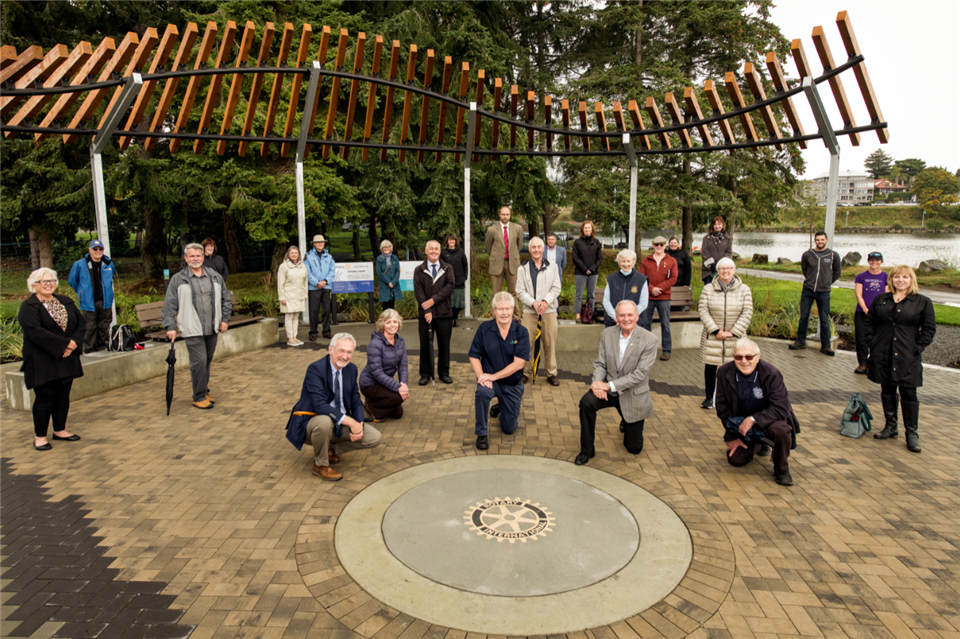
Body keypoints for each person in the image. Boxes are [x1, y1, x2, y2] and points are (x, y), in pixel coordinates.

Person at [285, 333, 382, 481]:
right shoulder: (315, 369)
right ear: (330, 349)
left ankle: (330, 450)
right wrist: (350, 422)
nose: (345, 356)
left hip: (338, 423)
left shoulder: (351, 369)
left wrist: (359, 423)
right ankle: (320, 464)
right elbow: (320, 406)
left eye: (349, 352)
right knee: (324, 421)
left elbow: (356, 399)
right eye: (341, 351)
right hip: (311, 424)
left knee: (374, 438)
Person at [575, 300, 658, 466]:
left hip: (632, 394)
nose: (626, 318)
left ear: (637, 316)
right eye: (622, 315)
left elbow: (640, 374)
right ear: (616, 318)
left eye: (629, 315)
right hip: (609, 391)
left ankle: (626, 421)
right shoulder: (608, 334)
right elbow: (601, 363)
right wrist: (597, 382)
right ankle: (586, 450)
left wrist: (608, 385)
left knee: (633, 447)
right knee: (586, 403)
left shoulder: (650, 340)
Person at [863, 265, 936, 453]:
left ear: (911, 280)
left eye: (905, 277)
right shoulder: (881, 300)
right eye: (897, 277)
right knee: (887, 389)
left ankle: (911, 433)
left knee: (909, 393)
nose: (900, 280)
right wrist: (873, 343)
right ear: (891, 280)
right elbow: (869, 323)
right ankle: (891, 426)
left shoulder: (922, 302)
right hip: (883, 354)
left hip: (906, 356)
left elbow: (928, 330)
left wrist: (917, 348)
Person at [715, 338, 800, 487]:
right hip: (741, 424)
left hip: (770, 420)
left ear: (757, 357)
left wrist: (753, 419)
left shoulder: (772, 374)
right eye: (738, 357)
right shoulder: (723, 372)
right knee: (735, 460)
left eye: (748, 356)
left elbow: (781, 407)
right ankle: (759, 444)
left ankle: (782, 469)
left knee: (780, 429)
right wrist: (733, 436)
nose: (743, 361)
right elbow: (722, 408)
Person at [18, 268, 85, 451]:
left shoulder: (65, 301)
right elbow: (36, 332)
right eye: (43, 281)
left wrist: (73, 344)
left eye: (51, 281)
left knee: (63, 395)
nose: (48, 284)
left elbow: (81, 323)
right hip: (42, 360)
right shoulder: (29, 306)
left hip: (66, 357)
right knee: (45, 397)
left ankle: (60, 430)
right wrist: (64, 344)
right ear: (34, 285)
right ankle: (40, 436)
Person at [161, 243, 232, 410]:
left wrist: (225, 319)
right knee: (198, 362)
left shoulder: (214, 276)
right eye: (191, 256)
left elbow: (225, 300)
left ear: (203, 257)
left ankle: (204, 390)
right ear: (185, 258)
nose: (195, 259)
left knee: (206, 361)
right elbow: (169, 305)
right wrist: (170, 326)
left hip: (212, 327)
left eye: (198, 256)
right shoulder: (178, 279)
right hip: (191, 328)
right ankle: (198, 396)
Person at [469, 292, 529, 450]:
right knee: (481, 393)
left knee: (509, 429)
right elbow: (474, 355)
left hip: (512, 384)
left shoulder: (521, 332)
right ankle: (481, 433)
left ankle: (501, 405)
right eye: (500, 309)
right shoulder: (484, 329)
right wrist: (482, 377)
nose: (504, 313)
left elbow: (518, 365)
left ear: (512, 309)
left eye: (507, 309)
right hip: (490, 383)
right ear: (494, 310)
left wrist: (493, 376)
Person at [698, 258, 753, 410]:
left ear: (734, 270)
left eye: (729, 268)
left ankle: (734, 397)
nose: (725, 271)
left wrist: (733, 332)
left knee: (737, 367)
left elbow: (747, 312)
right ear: (718, 271)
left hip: (735, 337)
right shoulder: (708, 289)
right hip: (713, 335)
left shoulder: (744, 290)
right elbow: (703, 310)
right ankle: (709, 397)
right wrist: (715, 330)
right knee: (710, 367)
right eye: (722, 269)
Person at [516, 237, 561, 386]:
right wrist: (534, 303)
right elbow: (520, 291)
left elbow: (556, 288)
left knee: (549, 343)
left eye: (538, 247)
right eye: (533, 247)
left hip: (549, 311)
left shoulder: (553, 267)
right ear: (529, 249)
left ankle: (551, 373)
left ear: (543, 249)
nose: (536, 250)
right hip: (530, 312)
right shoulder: (522, 268)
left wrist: (545, 302)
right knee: (527, 343)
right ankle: (525, 372)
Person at [789, 231, 841, 356]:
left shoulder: (833, 255)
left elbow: (837, 272)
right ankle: (800, 341)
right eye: (818, 240)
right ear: (815, 241)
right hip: (808, 290)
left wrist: (827, 282)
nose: (820, 242)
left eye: (822, 240)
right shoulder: (808, 255)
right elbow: (805, 270)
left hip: (824, 292)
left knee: (824, 319)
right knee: (804, 317)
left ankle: (826, 345)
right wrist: (811, 281)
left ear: (826, 240)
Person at [414, 240, 455, 385]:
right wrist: (427, 309)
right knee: (425, 344)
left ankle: (444, 373)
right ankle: (426, 373)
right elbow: (418, 292)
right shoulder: (419, 270)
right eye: (431, 249)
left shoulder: (447, 268)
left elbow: (450, 286)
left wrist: (432, 301)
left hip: (444, 314)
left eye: (436, 249)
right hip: (425, 315)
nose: (434, 251)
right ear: (426, 251)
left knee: (444, 345)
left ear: (440, 251)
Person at [359, 309, 409, 421]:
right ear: (382, 324)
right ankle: (371, 408)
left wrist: (404, 385)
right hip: (370, 384)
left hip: (385, 383)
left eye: (395, 322)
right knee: (398, 397)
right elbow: (377, 373)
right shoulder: (375, 344)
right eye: (388, 322)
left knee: (398, 413)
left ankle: (373, 401)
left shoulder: (400, 341)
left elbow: (403, 365)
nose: (392, 325)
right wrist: (398, 388)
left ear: (399, 324)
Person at [68, 239, 115, 353]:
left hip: (105, 302)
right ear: (90, 250)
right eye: (95, 249)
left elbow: (110, 279)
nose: (98, 251)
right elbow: (72, 281)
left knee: (104, 326)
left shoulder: (109, 263)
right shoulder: (79, 264)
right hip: (88, 302)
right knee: (90, 327)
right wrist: (82, 292)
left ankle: (101, 348)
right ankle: (89, 349)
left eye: (100, 249)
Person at [638, 236, 678, 361]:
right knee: (645, 323)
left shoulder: (671, 261)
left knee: (665, 324)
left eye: (661, 244)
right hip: (648, 297)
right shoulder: (646, 260)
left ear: (665, 246)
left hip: (664, 297)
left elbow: (673, 278)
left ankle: (666, 350)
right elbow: (641, 277)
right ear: (653, 245)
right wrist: (651, 289)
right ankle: (647, 350)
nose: (659, 247)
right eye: (656, 245)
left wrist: (659, 288)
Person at [484, 206, 523, 317]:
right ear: (499, 215)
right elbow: (488, 248)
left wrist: (512, 256)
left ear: (510, 215)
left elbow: (519, 246)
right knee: (496, 293)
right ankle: (494, 317)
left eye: (507, 214)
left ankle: (516, 316)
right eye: (503, 214)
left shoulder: (518, 228)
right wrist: (497, 256)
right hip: (496, 264)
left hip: (512, 264)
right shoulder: (491, 230)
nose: (505, 217)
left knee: (513, 292)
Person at [853, 252, 887, 374]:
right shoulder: (861, 276)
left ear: (881, 262)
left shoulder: (886, 277)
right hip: (862, 313)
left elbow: (887, 296)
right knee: (861, 338)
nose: (874, 262)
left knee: (877, 339)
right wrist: (866, 310)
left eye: (877, 260)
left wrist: (878, 311)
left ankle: (873, 363)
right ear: (868, 261)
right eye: (872, 260)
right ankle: (862, 363)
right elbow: (858, 294)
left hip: (880, 314)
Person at [602, 249, 648, 328]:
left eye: (628, 261)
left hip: (635, 323)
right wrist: (617, 318)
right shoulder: (611, 278)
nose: (626, 264)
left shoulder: (642, 279)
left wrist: (630, 318)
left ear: (633, 262)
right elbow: (606, 301)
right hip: (613, 322)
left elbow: (643, 303)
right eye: (623, 261)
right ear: (619, 262)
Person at [305, 234, 336, 342]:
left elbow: (332, 272)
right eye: (317, 242)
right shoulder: (308, 256)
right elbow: (307, 272)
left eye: (322, 242)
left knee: (326, 310)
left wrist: (325, 281)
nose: (320, 244)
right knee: (314, 310)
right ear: (313, 244)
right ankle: (313, 332)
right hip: (314, 288)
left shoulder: (329, 256)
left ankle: (326, 331)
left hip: (326, 287)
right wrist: (317, 282)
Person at [277, 245, 308, 346]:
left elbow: (305, 282)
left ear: (299, 254)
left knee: (296, 316)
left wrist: (305, 295)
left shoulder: (302, 266)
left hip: (299, 295)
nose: (294, 255)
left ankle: (295, 337)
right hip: (288, 296)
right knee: (289, 316)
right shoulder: (283, 266)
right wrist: (281, 297)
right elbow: (280, 283)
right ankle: (290, 338)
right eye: (292, 253)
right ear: (288, 255)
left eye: (296, 253)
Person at [572, 220, 603, 323]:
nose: (587, 229)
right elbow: (575, 258)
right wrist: (585, 269)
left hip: (593, 273)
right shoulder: (577, 242)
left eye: (589, 228)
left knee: (591, 295)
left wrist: (592, 269)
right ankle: (578, 316)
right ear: (582, 229)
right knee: (579, 294)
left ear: (592, 229)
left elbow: (599, 258)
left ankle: (590, 315)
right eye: (585, 228)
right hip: (580, 272)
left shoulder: (596, 242)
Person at [441, 234, 469, 326]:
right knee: (449, 302)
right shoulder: (444, 253)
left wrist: (465, 277)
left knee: (457, 302)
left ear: (455, 241)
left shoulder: (460, 252)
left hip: (459, 281)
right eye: (449, 240)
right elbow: (440, 266)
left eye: (453, 240)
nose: (451, 242)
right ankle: (450, 319)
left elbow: (465, 265)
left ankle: (456, 319)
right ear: (447, 241)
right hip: (447, 282)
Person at [700, 216, 732, 284]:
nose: (717, 226)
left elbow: (729, 253)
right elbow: (704, 252)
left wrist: (721, 264)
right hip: (709, 270)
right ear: (712, 225)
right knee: (709, 292)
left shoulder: (727, 238)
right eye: (715, 224)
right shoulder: (706, 238)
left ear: (722, 225)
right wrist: (712, 264)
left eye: (719, 224)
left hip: (723, 270)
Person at [376, 239, 401, 311]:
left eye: (387, 247)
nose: (386, 248)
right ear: (382, 248)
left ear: (390, 248)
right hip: (384, 285)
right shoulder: (379, 259)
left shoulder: (395, 258)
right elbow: (379, 272)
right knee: (385, 305)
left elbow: (397, 271)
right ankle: (385, 321)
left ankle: (392, 320)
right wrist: (388, 282)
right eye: (384, 247)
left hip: (394, 285)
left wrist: (393, 282)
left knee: (392, 305)